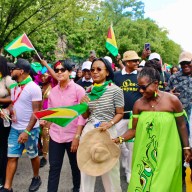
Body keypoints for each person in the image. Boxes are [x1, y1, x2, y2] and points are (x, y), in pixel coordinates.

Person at [114, 67, 192, 192]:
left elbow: (181, 125)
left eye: (144, 87)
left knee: (161, 187)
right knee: (142, 186)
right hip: (144, 155)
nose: (141, 91)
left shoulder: (172, 101)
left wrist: (186, 147)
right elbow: (133, 130)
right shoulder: (138, 104)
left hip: (168, 152)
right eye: (139, 87)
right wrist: (119, 139)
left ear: (156, 84)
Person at [79, 57, 124, 192]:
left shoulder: (116, 90)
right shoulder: (88, 91)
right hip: (89, 131)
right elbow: (86, 116)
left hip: (108, 132)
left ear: (108, 72)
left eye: (99, 69)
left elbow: (120, 113)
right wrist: (83, 106)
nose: (94, 72)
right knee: (86, 169)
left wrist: (110, 123)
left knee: (111, 171)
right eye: (93, 70)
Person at [1, 59, 42, 192]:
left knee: (33, 155)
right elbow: (14, 103)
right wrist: (7, 110)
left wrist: (27, 131)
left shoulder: (34, 88)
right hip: (14, 128)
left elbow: (36, 112)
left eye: (13, 69)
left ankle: (36, 177)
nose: (11, 71)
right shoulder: (15, 87)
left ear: (21, 71)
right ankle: (7, 187)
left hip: (30, 130)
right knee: (11, 156)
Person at [47, 60, 86, 192]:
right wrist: (45, 121)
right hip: (55, 136)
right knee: (54, 167)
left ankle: (76, 188)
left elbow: (82, 115)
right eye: (56, 70)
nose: (59, 72)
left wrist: (77, 136)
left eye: (62, 70)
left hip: (72, 136)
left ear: (70, 72)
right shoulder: (52, 92)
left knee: (75, 166)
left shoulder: (78, 90)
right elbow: (52, 114)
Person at [114, 50, 142, 183]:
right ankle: (121, 157)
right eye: (134, 61)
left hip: (135, 118)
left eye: (138, 60)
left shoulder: (141, 76)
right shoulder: (116, 76)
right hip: (119, 117)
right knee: (115, 142)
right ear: (126, 62)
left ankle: (129, 172)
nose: (137, 62)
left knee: (131, 147)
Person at [0, 56, 15, 189]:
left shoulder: (7, 80)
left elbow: (14, 97)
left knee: (2, 149)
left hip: (3, 118)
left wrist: (1, 101)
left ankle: (3, 180)